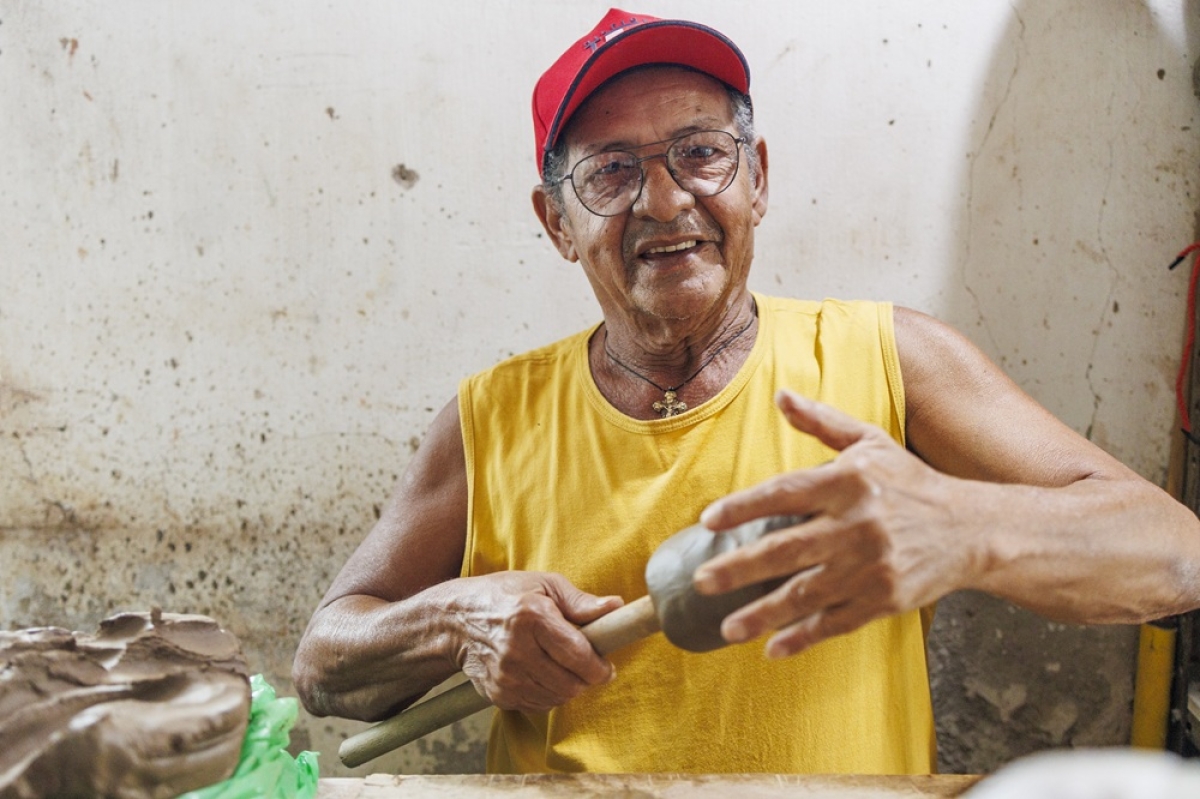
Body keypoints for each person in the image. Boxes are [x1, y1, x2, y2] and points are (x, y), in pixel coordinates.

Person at [292, 8, 1200, 775]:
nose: (663, 201)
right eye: (611, 171)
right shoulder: (491, 418)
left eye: (700, 153)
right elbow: (325, 665)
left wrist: (963, 527)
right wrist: (456, 620)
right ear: (556, 223)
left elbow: (1177, 558)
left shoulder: (891, 359)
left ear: (757, 178)